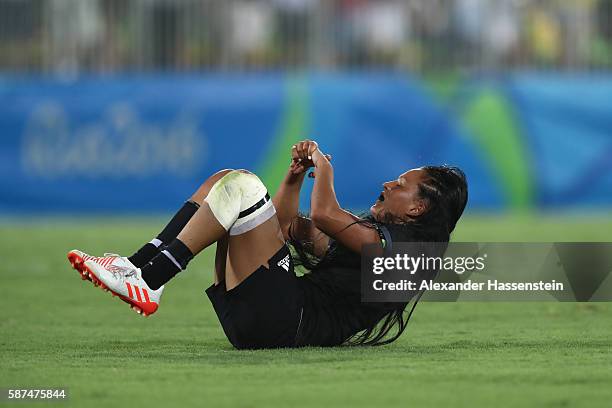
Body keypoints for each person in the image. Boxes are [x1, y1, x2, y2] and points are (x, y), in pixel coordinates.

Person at [67, 140, 468, 348]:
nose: (387, 184)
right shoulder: (379, 242)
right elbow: (288, 226)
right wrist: (295, 177)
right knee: (225, 180)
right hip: (267, 317)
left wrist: (324, 166)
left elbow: (326, 214)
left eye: (400, 185)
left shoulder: (407, 254)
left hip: (282, 319)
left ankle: (152, 279)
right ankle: (137, 267)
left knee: (242, 186)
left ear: (417, 209)